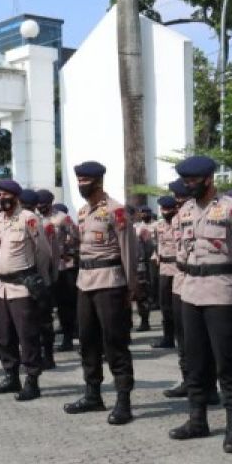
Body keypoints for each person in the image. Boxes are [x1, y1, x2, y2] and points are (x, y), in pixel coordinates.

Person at [169, 156, 232, 453]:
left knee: (227, 363)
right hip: (190, 292)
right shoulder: (184, 211)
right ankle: (197, 420)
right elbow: (181, 253)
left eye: (193, 180)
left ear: (208, 179)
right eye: (186, 180)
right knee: (195, 360)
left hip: (222, 292)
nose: (188, 185)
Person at [64, 161, 139, 422]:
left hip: (110, 283)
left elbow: (129, 250)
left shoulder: (116, 211)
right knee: (87, 341)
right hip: (85, 282)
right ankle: (93, 394)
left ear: (98, 182)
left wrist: (131, 288)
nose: (81, 185)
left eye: (86, 181)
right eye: (79, 180)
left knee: (115, 343)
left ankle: (123, 400)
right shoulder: (83, 212)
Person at [0, 179, 52, 401]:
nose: (1, 199)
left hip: (23, 287)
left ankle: (32, 381)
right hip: (2, 287)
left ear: (15, 197)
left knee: (27, 336)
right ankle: (10, 376)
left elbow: (43, 252)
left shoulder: (28, 218)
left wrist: (38, 280)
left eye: (5, 195)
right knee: (4, 336)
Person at [37, 189, 78, 355]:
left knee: (65, 304)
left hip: (62, 265)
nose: (40, 207)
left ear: (50, 203)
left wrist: (68, 246)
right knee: (44, 304)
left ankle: (68, 338)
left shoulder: (62, 218)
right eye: (38, 205)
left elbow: (76, 235)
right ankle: (44, 339)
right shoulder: (35, 219)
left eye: (43, 205)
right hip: (43, 266)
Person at [21, 189, 59, 370]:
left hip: (40, 279)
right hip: (24, 280)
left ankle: (48, 356)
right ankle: (34, 354)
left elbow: (50, 253)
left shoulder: (43, 224)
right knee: (29, 320)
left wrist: (46, 278)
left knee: (44, 320)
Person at [153, 196, 179, 350]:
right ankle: (168, 337)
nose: (165, 212)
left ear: (175, 209)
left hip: (178, 269)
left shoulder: (180, 223)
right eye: (163, 209)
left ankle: (182, 337)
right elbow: (158, 244)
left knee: (179, 306)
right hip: (164, 269)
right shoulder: (159, 226)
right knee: (165, 306)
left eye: (168, 209)